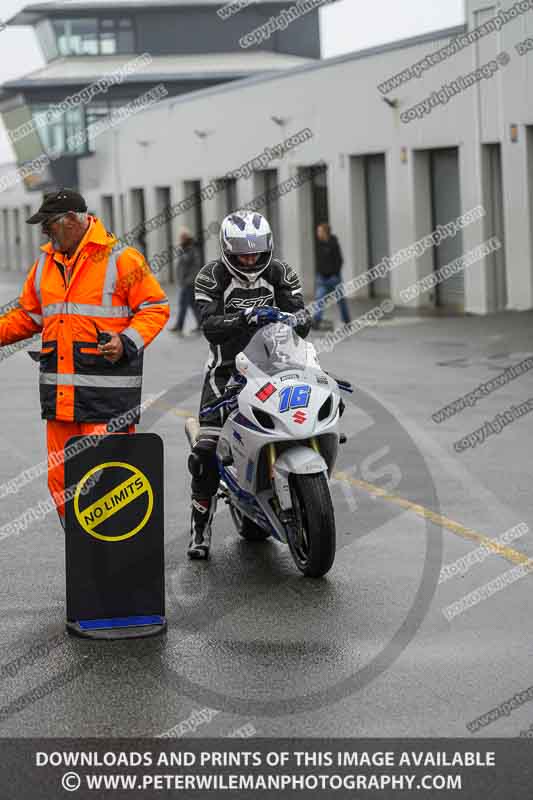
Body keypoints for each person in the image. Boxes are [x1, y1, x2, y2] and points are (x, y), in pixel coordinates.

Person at [0, 188, 170, 528]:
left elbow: (155, 307)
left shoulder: (121, 259)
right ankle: (86, 561)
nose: (45, 233)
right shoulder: (45, 265)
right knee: (62, 484)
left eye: (48, 225)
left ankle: (112, 563)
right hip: (61, 403)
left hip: (106, 401)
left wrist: (126, 342)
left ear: (74, 221)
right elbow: (28, 317)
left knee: (106, 486)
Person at [187, 210, 311, 559]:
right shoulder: (210, 276)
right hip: (225, 372)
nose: (250, 258)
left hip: (277, 367)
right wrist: (245, 317)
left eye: (256, 252)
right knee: (205, 451)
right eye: (242, 253)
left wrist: (295, 317)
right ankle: (201, 525)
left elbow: (302, 321)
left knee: (299, 424)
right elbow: (209, 325)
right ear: (227, 249)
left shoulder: (281, 272)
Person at [312, 223, 351, 329]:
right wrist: (319, 272)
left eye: (319, 231)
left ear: (325, 232)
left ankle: (346, 320)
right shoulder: (319, 244)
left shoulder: (334, 244)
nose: (317, 233)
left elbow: (339, 260)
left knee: (341, 300)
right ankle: (316, 320)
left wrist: (334, 273)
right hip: (322, 278)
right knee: (320, 299)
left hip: (334, 278)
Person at [169, 227, 202, 336]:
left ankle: (179, 326)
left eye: (182, 237)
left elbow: (195, 266)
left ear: (186, 238)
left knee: (183, 304)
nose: (180, 239)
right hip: (185, 282)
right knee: (192, 304)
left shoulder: (192, 249)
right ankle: (201, 324)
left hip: (189, 283)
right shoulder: (184, 248)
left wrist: (188, 280)